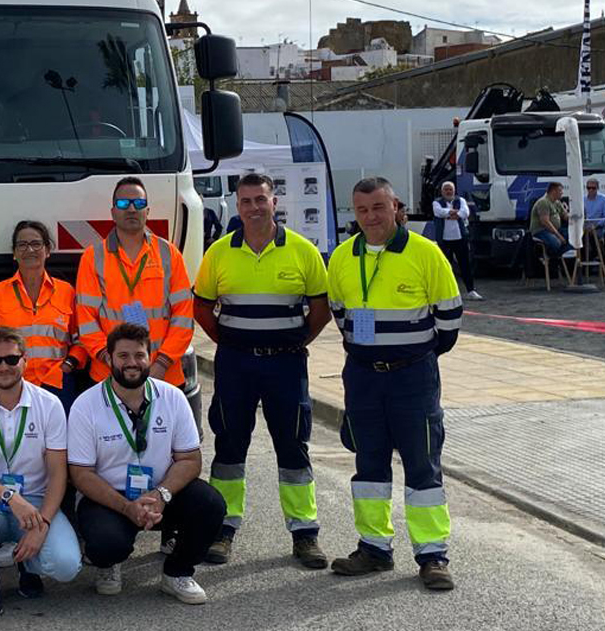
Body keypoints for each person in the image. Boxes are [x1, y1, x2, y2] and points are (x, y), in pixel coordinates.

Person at [327, 176, 462, 591]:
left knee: (422, 465)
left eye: (379, 208)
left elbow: (449, 323)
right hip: (363, 378)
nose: (371, 217)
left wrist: (411, 357)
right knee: (368, 465)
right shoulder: (342, 257)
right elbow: (339, 312)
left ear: (396, 207)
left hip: (413, 378)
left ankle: (432, 555)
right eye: (362, 210)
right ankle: (374, 548)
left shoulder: (426, 253)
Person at [193, 173, 331, 569]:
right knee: (230, 446)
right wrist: (232, 342)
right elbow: (202, 308)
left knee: (292, 445)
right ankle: (223, 529)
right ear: (237, 206)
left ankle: (304, 533)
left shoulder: (303, 251)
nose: (254, 207)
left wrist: (295, 342)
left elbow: (319, 310)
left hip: (286, 364)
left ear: (275, 202)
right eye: (246, 201)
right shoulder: (219, 253)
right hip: (235, 363)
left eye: (261, 199)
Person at [67, 323, 226, 604]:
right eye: (123, 356)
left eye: (139, 355)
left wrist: (160, 495)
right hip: (109, 498)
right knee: (107, 544)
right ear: (110, 358)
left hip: (161, 494)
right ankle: (108, 564)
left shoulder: (173, 397)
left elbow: (190, 460)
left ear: (149, 357)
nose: (132, 363)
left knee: (211, 504)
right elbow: (81, 474)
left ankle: (177, 573)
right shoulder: (86, 405)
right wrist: (127, 507)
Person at [0, 327, 81, 616]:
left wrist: (43, 524)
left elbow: (59, 474)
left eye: (11, 359)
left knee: (66, 567)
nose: (3, 367)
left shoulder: (49, 405)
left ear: (25, 361)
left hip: (35, 503)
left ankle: (25, 563)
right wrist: (10, 496)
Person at [74, 177, 194, 389]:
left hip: (163, 375)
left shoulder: (169, 254)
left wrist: (161, 363)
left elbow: (184, 317)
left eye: (138, 204)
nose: (131, 209)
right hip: (109, 375)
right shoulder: (93, 257)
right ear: (113, 212)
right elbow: (86, 320)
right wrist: (111, 360)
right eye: (123, 204)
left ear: (147, 211)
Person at [0, 220, 86, 413]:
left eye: (36, 244)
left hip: (57, 384)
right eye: (22, 245)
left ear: (47, 250)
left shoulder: (66, 291)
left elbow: (80, 341)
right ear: (15, 252)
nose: (30, 250)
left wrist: (68, 366)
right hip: (12, 384)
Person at [431, 181, 482, 301]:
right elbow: (438, 212)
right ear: (442, 191)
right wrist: (452, 213)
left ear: (454, 191)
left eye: (450, 189)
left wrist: (451, 214)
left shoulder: (461, 200)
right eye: (446, 190)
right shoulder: (437, 202)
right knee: (445, 267)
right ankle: (446, 292)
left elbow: (465, 213)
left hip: (460, 238)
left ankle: (471, 290)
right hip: (444, 239)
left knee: (465, 265)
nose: (448, 192)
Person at [529, 182, 573, 261]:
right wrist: (559, 236)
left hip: (556, 229)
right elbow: (545, 222)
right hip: (542, 230)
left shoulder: (557, 202)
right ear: (553, 191)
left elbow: (565, 216)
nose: (562, 193)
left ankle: (559, 257)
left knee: (572, 237)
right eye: (560, 191)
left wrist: (572, 216)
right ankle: (552, 261)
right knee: (556, 243)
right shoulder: (543, 202)